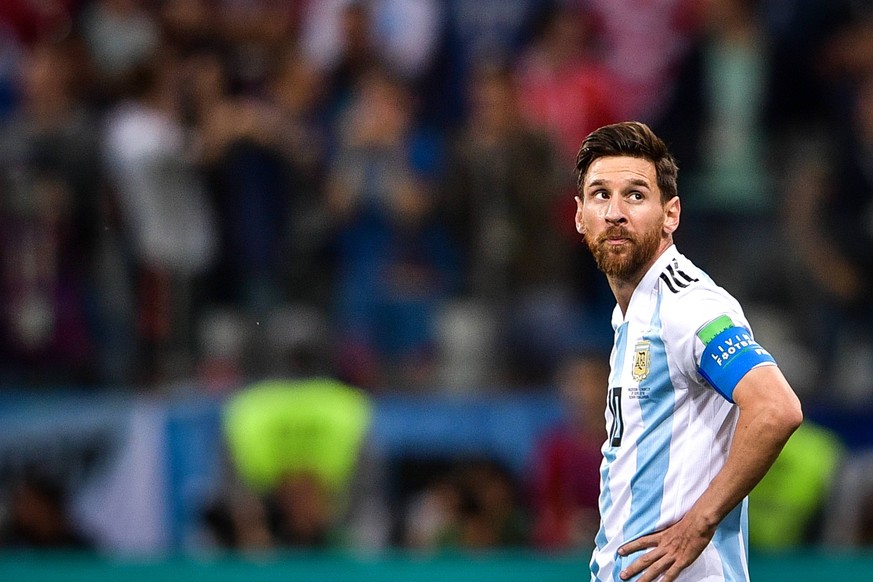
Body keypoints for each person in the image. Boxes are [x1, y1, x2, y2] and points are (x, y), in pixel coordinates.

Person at [572, 121, 802, 581]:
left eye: (635, 195)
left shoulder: (688, 304)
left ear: (671, 214)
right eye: (601, 195)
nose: (615, 212)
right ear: (579, 215)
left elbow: (776, 408)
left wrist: (700, 523)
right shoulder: (634, 313)